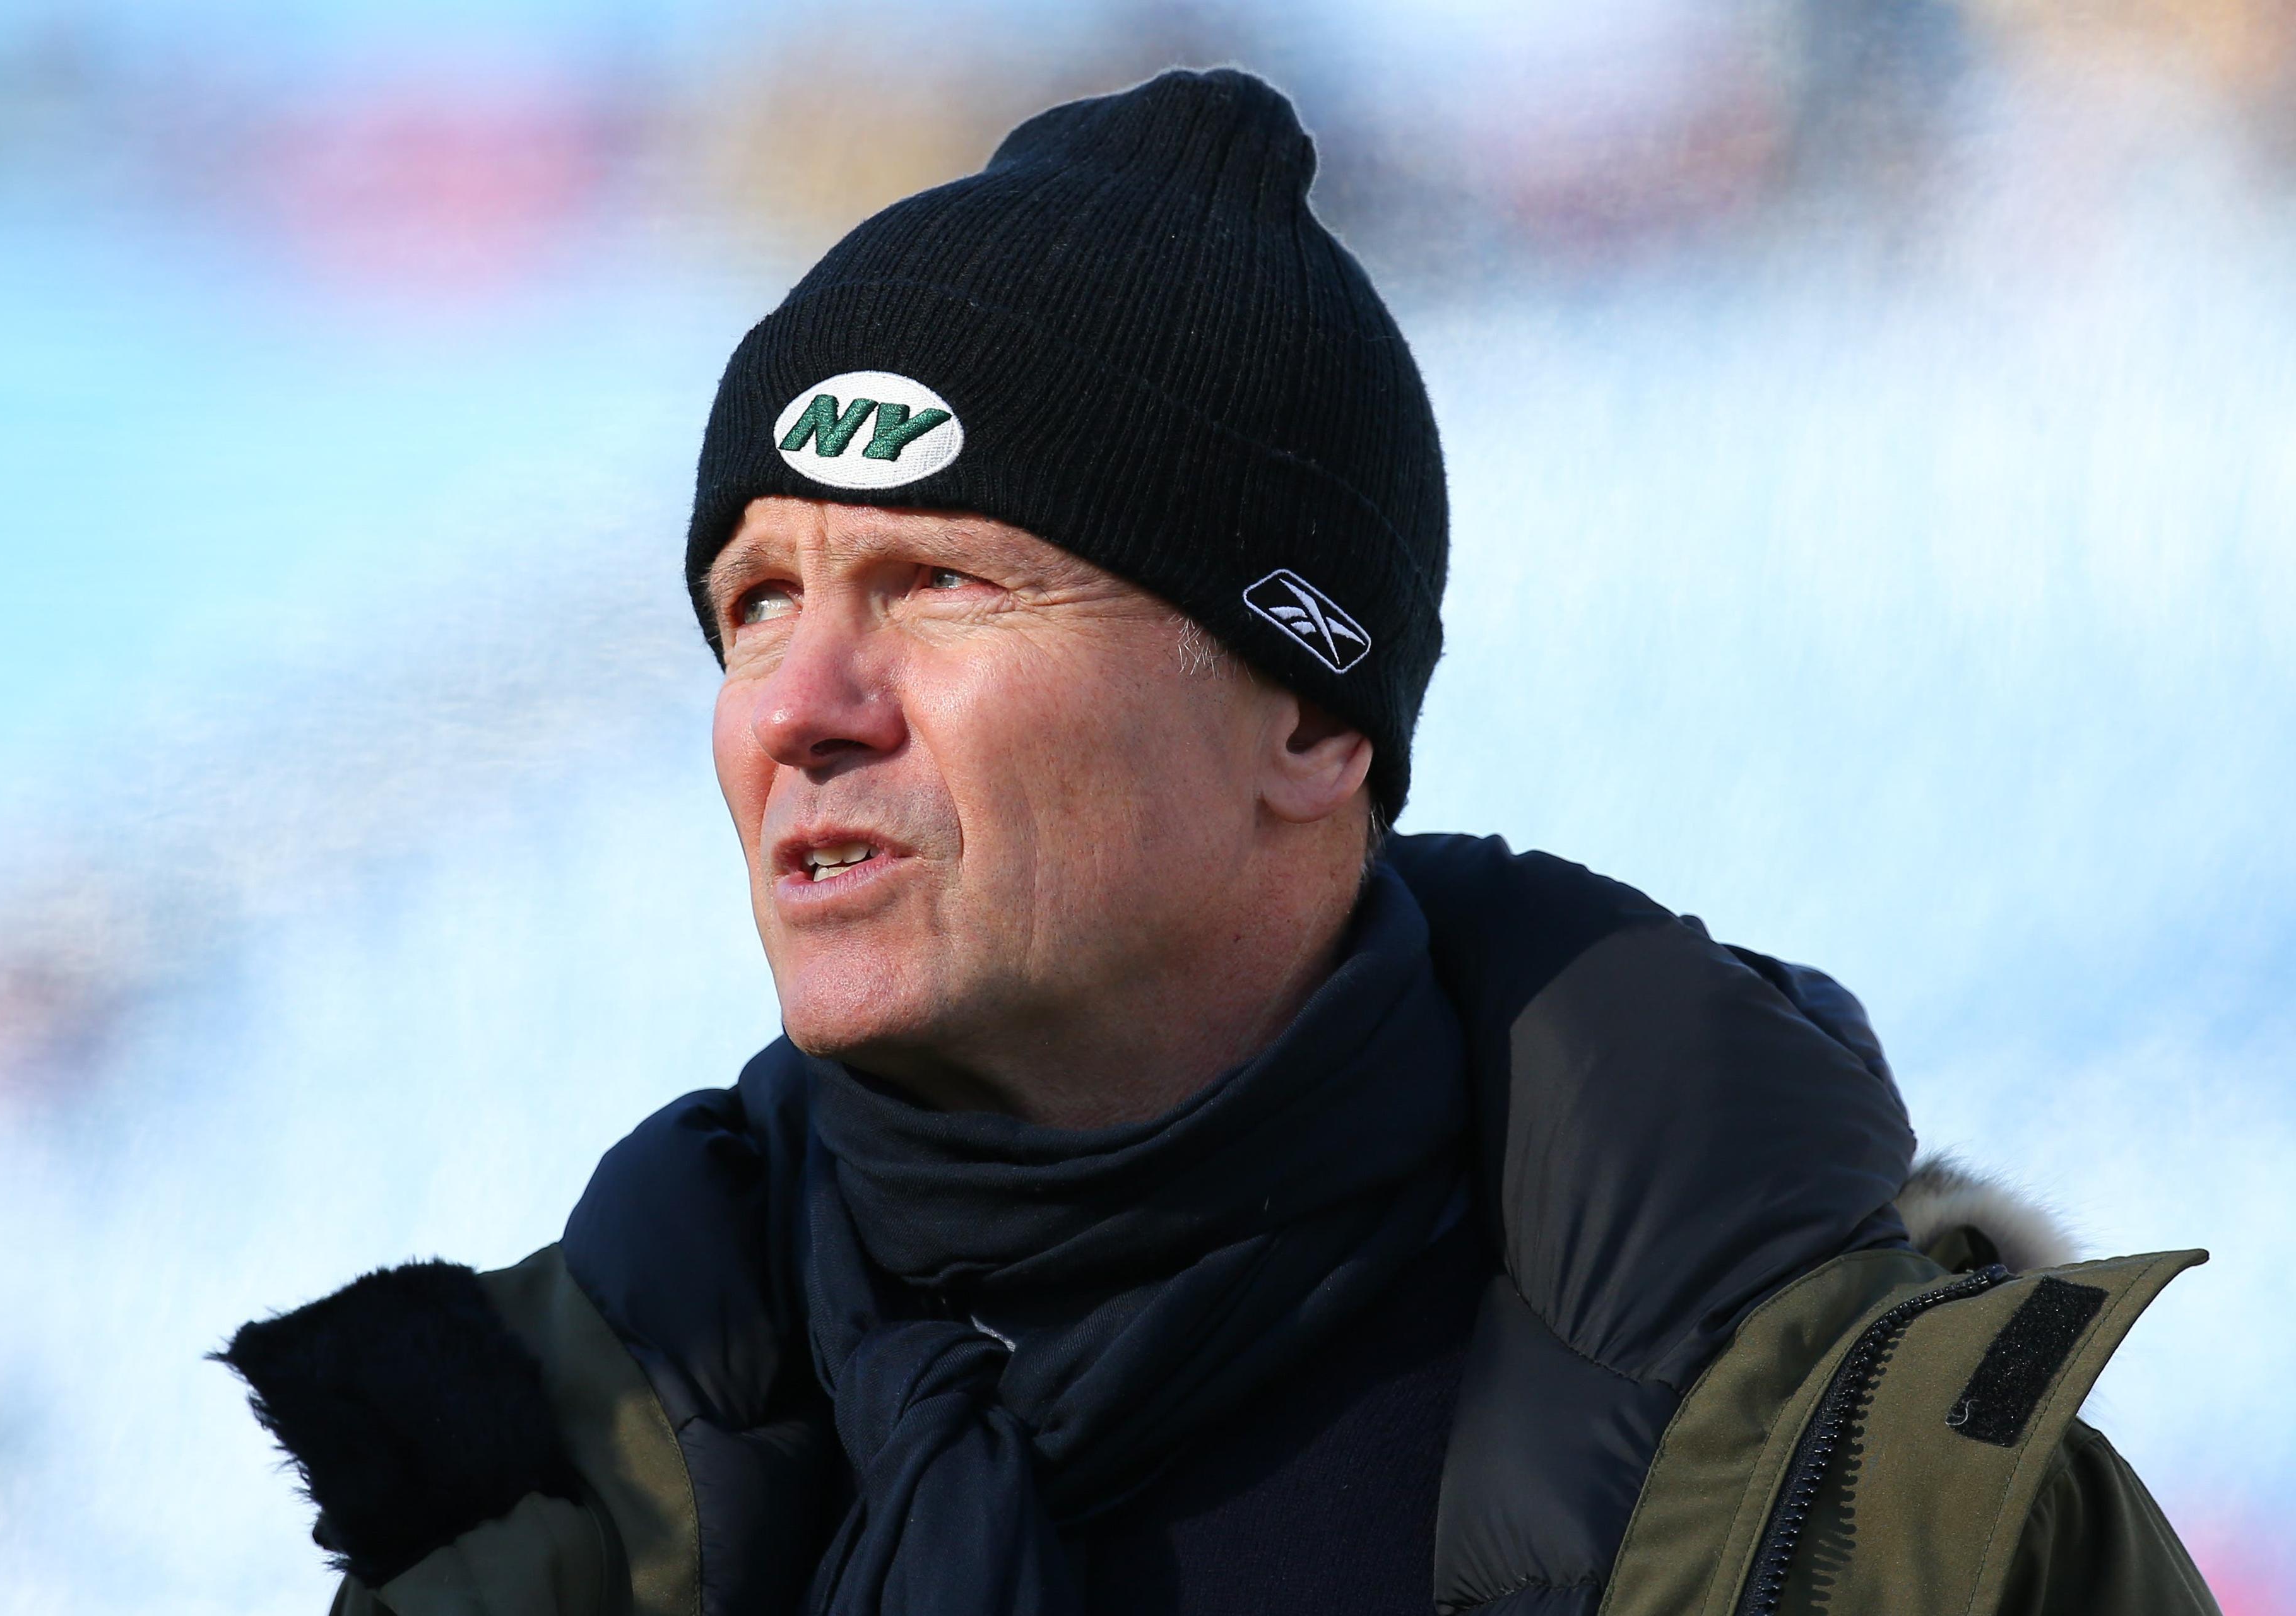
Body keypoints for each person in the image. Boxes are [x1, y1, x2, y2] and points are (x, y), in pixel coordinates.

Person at [220, 69, 2219, 1616]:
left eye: (941, 583)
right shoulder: (556, 1486)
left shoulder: (1870, 1488)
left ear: (1314, 714)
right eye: (754, 599)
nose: (797, 704)